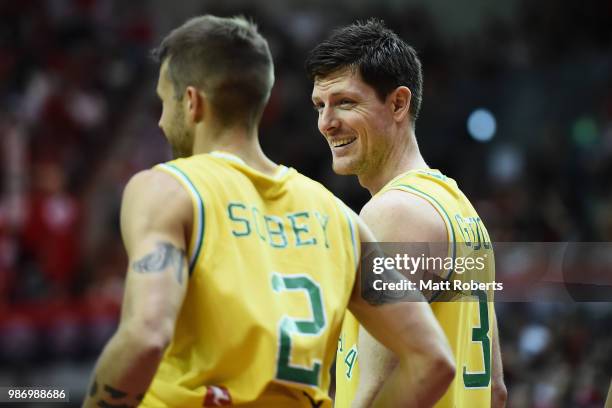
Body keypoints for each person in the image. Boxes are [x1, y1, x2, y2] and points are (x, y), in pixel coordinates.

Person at [83, 15, 455, 407]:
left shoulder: (168, 189)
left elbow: (145, 337)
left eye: (164, 102)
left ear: (191, 102)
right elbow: (433, 361)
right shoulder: (339, 218)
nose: (160, 120)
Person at [306, 18, 507, 408]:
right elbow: (495, 391)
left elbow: (377, 391)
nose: (326, 122)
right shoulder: (460, 209)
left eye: (345, 102)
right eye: (320, 105)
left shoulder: (394, 213)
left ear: (398, 103)